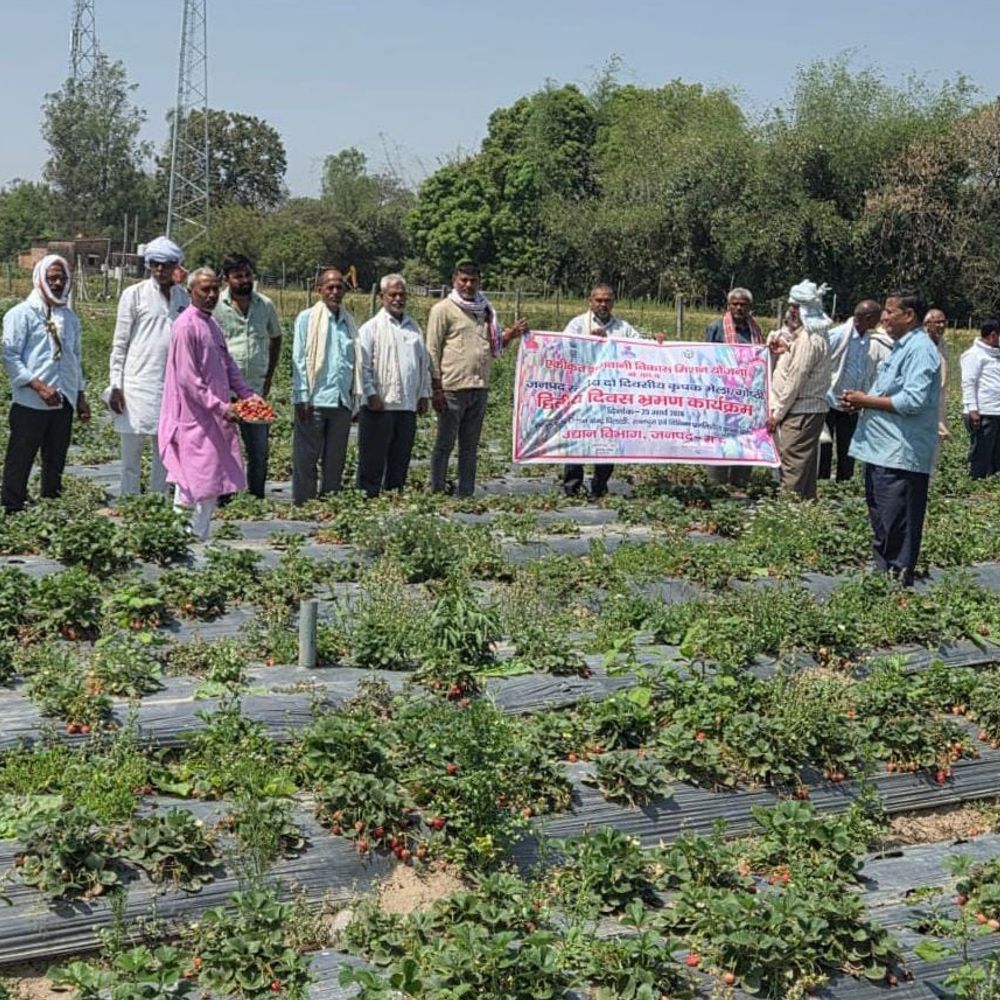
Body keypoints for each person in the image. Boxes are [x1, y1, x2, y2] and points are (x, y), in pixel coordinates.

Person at [843, 290, 940, 586]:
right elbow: (890, 392)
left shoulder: (921, 349)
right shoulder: (901, 347)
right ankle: (884, 577)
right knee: (883, 520)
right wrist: (861, 400)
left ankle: (897, 580)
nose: (883, 317)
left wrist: (866, 401)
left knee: (898, 521)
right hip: (881, 450)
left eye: (889, 311)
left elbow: (912, 401)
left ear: (908, 316)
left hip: (901, 453)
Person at [158, 268, 260, 540]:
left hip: (212, 419)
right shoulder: (185, 326)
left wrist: (247, 394)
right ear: (191, 292)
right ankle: (181, 542)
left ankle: (196, 539)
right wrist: (221, 407)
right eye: (205, 289)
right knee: (191, 484)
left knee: (209, 484)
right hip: (192, 421)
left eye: (215, 289)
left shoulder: (210, 324)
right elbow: (189, 380)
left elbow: (228, 366)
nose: (212, 295)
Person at [426, 260, 527, 497]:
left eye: (473, 280)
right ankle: (437, 492)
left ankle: (465, 494)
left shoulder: (486, 310)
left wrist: (510, 335)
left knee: (469, 448)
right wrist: (435, 387)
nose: (468, 285)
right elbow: (432, 350)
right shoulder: (443, 309)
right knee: (444, 445)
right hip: (452, 387)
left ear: (479, 282)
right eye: (463, 280)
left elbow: (492, 345)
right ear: (455, 281)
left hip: (479, 387)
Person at [2, 255, 90, 513]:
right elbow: (9, 356)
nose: (58, 283)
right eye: (52, 278)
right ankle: (12, 505)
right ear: (40, 279)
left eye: (62, 278)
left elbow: (75, 357)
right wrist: (38, 386)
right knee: (21, 456)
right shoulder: (20, 314)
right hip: (31, 401)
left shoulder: (69, 317)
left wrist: (80, 395)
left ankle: (52, 505)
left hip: (63, 399)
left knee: (55, 457)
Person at [108, 236, 189, 497]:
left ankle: (157, 504)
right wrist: (116, 386)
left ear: (175, 266)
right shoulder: (134, 295)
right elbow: (119, 344)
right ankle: (131, 503)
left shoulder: (183, 297)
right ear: (148, 264)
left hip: (170, 387)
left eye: (166, 265)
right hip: (136, 385)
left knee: (165, 453)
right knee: (131, 455)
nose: (159, 270)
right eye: (154, 264)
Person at [561, 283, 641, 499]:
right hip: (581, 392)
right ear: (590, 301)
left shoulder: (622, 328)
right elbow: (564, 350)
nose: (603, 304)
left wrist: (657, 343)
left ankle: (599, 485)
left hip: (610, 394)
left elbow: (640, 350)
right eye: (599, 300)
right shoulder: (577, 324)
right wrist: (589, 343)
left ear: (613, 302)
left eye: (607, 300)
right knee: (577, 438)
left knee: (607, 440)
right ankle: (572, 486)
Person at [355, 274, 431, 497]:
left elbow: (423, 364)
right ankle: (367, 501)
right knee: (372, 461)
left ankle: (393, 500)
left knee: (400, 460)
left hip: (407, 407)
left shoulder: (414, 328)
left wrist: (424, 394)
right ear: (382, 297)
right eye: (393, 295)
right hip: (379, 406)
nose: (398, 299)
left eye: (402, 295)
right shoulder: (370, 328)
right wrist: (371, 394)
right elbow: (363, 365)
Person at [215, 254, 283, 499]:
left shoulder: (264, 305)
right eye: (238, 276)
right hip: (224, 391)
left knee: (259, 451)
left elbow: (276, 338)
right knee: (223, 447)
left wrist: (269, 377)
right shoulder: (216, 306)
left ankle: (255, 498)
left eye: (247, 275)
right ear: (227, 279)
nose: (244, 280)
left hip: (255, 389)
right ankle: (224, 498)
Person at [291, 268, 359, 504]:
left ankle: (330, 504)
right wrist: (301, 397)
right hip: (314, 399)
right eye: (329, 287)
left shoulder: (349, 322)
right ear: (319, 290)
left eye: (339, 287)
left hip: (341, 401)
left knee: (335, 460)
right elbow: (299, 359)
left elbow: (354, 363)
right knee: (306, 458)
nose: (335, 291)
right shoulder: (307, 319)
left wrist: (355, 399)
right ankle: (304, 506)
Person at [766, 281, 832, 500]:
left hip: (800, 411)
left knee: (792, 466)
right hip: (805, 410)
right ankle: (805, 509)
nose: (791, 311)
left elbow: (795, 381)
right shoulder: (806, 335)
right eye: (791, 306)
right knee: (804, 467)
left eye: (796, 307)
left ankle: (788, 514)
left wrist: (777, 414)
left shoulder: (808, 339)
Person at [818, 299, 889, 482]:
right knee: (825, 444)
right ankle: (823, 482)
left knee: (848, 446)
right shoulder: (838, 335)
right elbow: (823, 363)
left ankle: (844, 482)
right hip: (830, 398)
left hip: (851, 402)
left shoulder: (867, 339)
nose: (879, 322)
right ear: (867, 317)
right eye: (876, 318)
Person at [704, 288, 764, 487]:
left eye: (743, 304)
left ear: (749, 307)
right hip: (721, 398)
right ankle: (717, 486)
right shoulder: (716, 328)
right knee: (720, 440)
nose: (739, 307)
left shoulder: (756, 331)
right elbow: (703, 358)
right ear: (728, 306)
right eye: (735, 304)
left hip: (747, 400)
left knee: (746, 441)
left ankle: (740, 484)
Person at [960, 319, 1000, 479]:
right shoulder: (974, 355)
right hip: (983, 412)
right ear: (992, 335)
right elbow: (968, 383)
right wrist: (973, 410)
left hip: (997, 410)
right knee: (981, 453)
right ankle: (975, 483)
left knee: (996, 455)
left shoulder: (996, 354)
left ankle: (991, 485)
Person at [924, 308, 950, 444]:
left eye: (943, 322)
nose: (942, 326)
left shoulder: (943, 345)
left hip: (938, 404)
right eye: (938, 322)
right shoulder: (920, 345)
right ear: (927, 324)